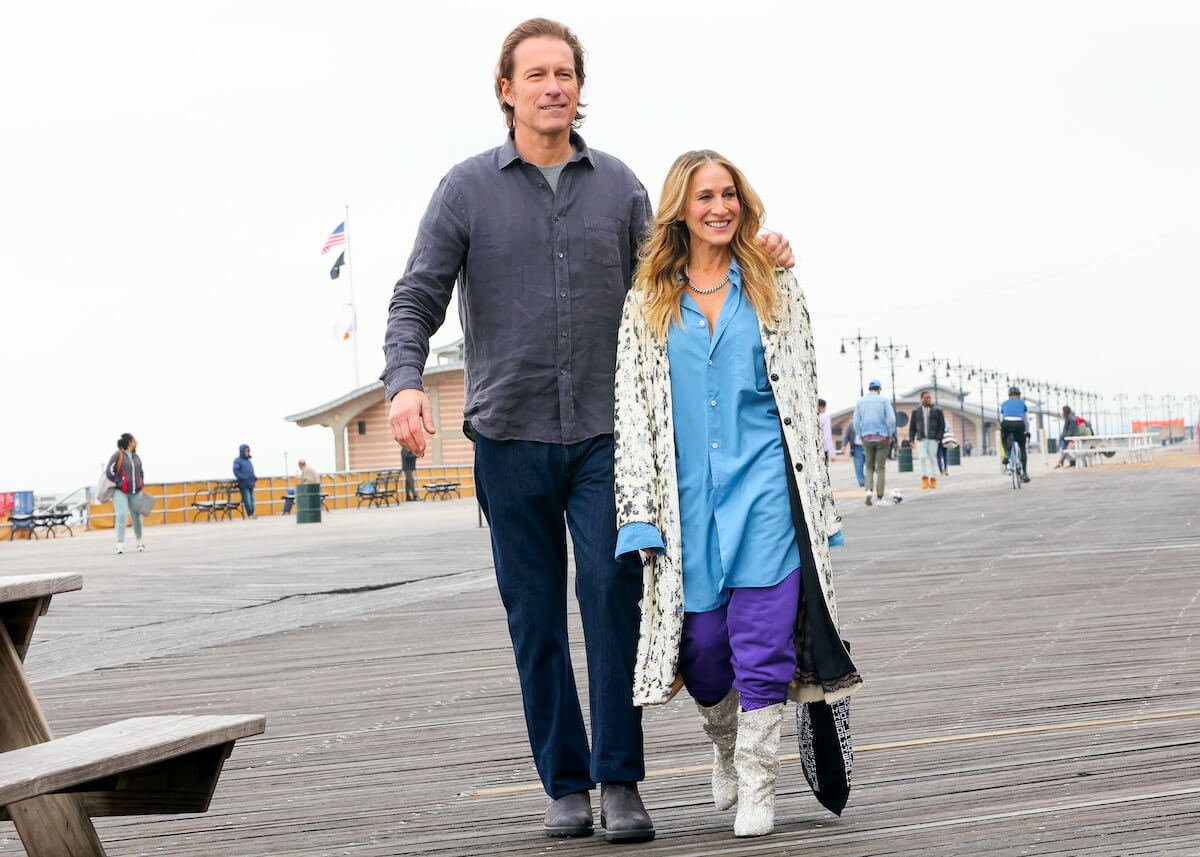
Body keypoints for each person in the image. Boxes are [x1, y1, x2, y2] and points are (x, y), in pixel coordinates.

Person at [380, 16, 797, 843]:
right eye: (535, 75)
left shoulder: (619, 187)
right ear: (506, 91)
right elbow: (416, 295)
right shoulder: (465, 189)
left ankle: (620, 778)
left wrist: (759, 248)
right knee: (534, 616)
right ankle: (565, 783)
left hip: (612, 439)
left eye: (565, 73)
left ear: (579, 86)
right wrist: (402, 384)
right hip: (507, 434)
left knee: (614, 603)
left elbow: (680, 272)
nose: (553, 87)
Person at [613, 150, 860, 838]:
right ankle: (724, 742)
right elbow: (632, 412)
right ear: (680, 212)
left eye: (729, 195)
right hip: (686, 505)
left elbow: (804, 394)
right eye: (704, 198)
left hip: (766, 497)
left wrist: (822, 504)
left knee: (763, 643)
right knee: (702, 650)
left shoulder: (776, 286)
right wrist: (636, 514)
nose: (719, 207)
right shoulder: (647, 303)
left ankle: (758, 780)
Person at [853, 380, 896, 506]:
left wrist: (861, 434)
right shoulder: (883, 400)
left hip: (867, 437)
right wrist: (890, 433)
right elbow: (892, 419)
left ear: (869, 388)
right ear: (879, 389)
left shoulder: (860, 402)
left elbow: (856, 422)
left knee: (869, 466)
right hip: (882, 436)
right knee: (880, 467)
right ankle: (880, 498)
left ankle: (868, 491)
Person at [105, 433, 145, 554]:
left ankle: (140, 542)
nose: (136, 442)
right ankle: (120, 544)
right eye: (134, 440)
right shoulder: (118, 455)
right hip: (120, 491)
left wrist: (140, 483)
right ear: (129, 442)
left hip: (135, 491)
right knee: (121, 516)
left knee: (137, 517)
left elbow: (141, 472)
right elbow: (109, 471)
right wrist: (119, 482)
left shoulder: (136, 457)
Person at [907, 390, 946, 490]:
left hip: (933, 439)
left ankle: (933, 479)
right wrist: (911, 439)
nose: (928, 399)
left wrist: (938, 437)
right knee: (922, 458)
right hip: (921, 439)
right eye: (926, 398)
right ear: (922, 399)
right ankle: (924, 478)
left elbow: (942, 425)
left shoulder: (938, 410)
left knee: (932, 458)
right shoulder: (916, 411)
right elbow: (912, 427)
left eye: (929, 398)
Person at [1000, 387, 1032, 482]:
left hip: (1006, 423)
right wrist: (1026, 431)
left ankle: (1006, 453)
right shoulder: (1022, 403)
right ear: (1019, 395)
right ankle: (1025, 474)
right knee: (1022, 448)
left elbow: (1002, 419)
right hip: (1019, 424)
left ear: (1009, 396)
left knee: (1004, 437)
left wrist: (1004, 431)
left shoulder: (1004, 403)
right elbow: (1027, 420)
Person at [233, 444, 257, 519]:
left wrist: (254, 477)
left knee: (252, 499)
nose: (247, 452)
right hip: (243, 484)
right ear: (242, 451)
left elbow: (251, 471)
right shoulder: (237, 461)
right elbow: (236, 471)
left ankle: (252, 513)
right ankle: (250, 514)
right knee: (247, 499)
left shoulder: (248, 461)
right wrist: (243, 478)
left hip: (251, 483)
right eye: (245, 451)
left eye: (248, 451)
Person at [841, 419, 866, 488]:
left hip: (867, 446)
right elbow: (846, 436)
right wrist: (844, 445)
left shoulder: (868, 423)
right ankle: (862, 482)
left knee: (870, 465)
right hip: (857, 448)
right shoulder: (852, 425)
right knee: (858, 466)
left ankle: (867, 479)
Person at [817, 399, 834, 464]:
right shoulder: (825, 417)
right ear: (821, 407)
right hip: (823, 448)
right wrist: (831, 454)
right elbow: (827, 436)